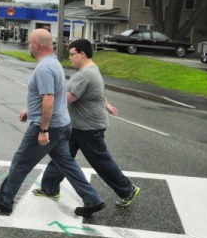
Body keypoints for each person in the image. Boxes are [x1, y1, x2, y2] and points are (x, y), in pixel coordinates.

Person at [0, 28, 105, 218]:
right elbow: (55, 96)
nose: (28, 47)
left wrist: (43, 129)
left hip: (50, 126)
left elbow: (48, 99)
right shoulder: (54, 63)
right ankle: (92, 199)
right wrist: (30, 110)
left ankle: (5, 200)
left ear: (37, 45)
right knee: (67, 164)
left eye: (29, 43)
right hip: (62, 124)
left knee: (21, 162)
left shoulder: (44, 68)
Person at [33, 38, 141, 207]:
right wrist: (108, 105)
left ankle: (127, 189)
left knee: (100, 161)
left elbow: (67, 98)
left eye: (72, 54)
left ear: (82, 54)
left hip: (88, 127)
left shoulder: (84, 74)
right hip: (79, 125)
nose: (70, 58)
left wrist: (44, 102)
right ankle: (50, 187)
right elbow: (97, 93)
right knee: (63, 155)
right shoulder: (92, 69)